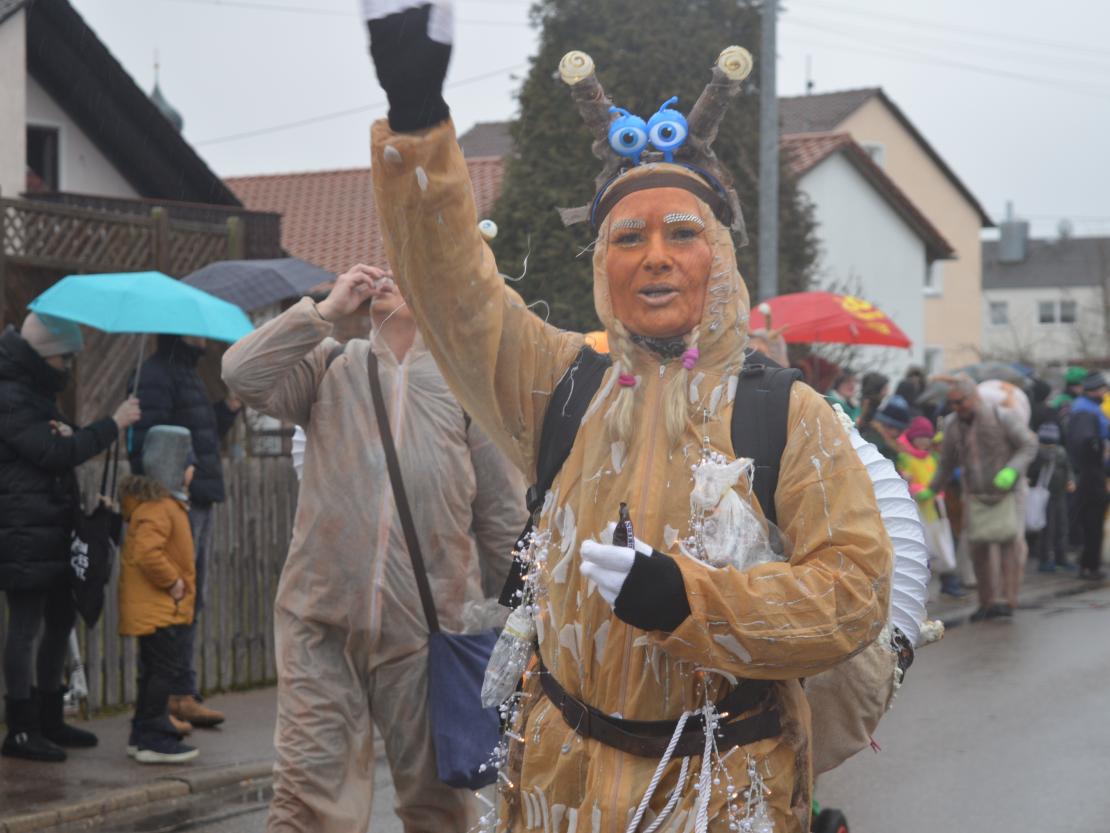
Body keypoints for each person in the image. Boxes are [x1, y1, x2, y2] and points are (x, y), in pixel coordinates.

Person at [364, 10, 892, 831]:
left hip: (721, 791)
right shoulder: (562, 384)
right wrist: (416, 122)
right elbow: (454, 294)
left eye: (683, 233)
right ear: (603, 260)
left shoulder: (785, 413)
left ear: (719, 254)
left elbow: (854, 593)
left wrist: (690, 600)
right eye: (628, 236)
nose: (654, 255)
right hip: (558, 788)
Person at [222, 264, 528, 833]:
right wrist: (324, 313)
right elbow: (241, 372)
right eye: (384, 266)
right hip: (320, 623)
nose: (388, 275)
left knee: (437, 805)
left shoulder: (466, 387)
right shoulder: (331, 364)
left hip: (429, 636)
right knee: (306, 798)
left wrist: (515, 627)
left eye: (407, 269)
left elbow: (503, 521)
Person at [0, 313, 141, 761]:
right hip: (22, 529)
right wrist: (112, 424)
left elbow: (63, 441)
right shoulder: (11, 395)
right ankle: (20, 729)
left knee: (61, 620)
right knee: (25, 627)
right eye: (66, 359)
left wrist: (77, 434)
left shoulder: (36, 394)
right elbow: (54, 451)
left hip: (52, 525)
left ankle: (49, 718)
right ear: (44, 357)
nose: (70, 368)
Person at [129, 335, 241, 729]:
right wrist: (175, 485)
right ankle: (161, 703)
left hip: (198, 495)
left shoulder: (188, 375)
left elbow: (199, 432)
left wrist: (227, 409)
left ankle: (182, 692)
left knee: (191, 599)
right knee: (171, 599)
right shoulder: (155, 375)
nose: (203, 337)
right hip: (176, 501)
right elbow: (152, 439)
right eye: (195, 331)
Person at [118, 426, 200, 764]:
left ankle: (142, 732)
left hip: (160, 608)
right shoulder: (159, 506)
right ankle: (152, 735)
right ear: (172, 466)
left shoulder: (162, 504)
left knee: (154, 670)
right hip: (160, 607)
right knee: (162, 670)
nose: (193, 471)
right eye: (188, 463)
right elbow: (147, 551)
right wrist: (173, 582)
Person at [928, 375, 1037, 620]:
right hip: (976, 496)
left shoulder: (1003, 416)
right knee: (978, 548)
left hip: (1009, 493)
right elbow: (946, 462)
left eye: (960, 402)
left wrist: (1012, 469)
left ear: (974, 397)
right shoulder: (953, 424)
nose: (956, 408)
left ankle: (1008, 601)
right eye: (952, 403)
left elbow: (1029, 445)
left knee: (1011, 546)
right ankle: (986, 602)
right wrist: (932, 489)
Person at [1065, 371, 1109, 580]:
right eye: (1103, 389)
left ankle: (1089, 563)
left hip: (1088, 473)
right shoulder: (1085, 412)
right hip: (1090, 475)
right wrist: (1100, 451)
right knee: (1092, 520)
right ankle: (1089, 565)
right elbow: (1088, 444)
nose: (1105, 393)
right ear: (1096, 390)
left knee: (1091, 519)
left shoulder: (1085, 408)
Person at [1027, 422, 1074, 573]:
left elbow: (1068, 468)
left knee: (1060, 527)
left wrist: (1070, 480)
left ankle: (1061, 558)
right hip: (1044, 495)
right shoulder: (1038, 453)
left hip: (1058, 494)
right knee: (1047, 528)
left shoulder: (1060, 452)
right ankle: (1045, 559)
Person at [860, 394, 910, 461]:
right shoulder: (876, 444)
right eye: (891, 427)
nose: (896, 433)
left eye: (900, 430)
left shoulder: (893, 445)